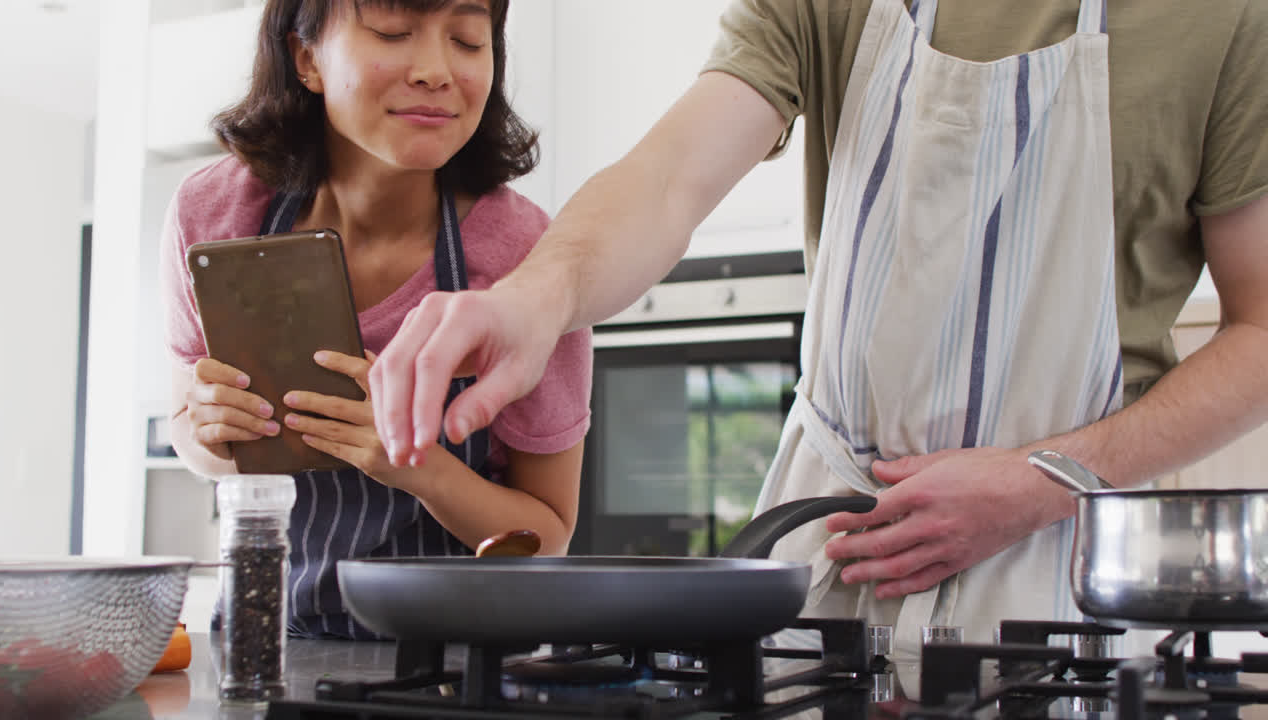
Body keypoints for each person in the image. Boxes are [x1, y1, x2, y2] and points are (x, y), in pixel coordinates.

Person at [368, 0, 1268, 677]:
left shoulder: (1227, 18)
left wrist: (1041, 481)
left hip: (1061, 572)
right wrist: (537, 295)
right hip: (828, 562)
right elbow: (672, 175)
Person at [160, 0, 591, 640]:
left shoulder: (526, 260)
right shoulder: (215, 213)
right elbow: (190, 437)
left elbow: (547, 535)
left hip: (452, 669)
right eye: (394, 32)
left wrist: (418, 468)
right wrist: (210, 432)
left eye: (468, 41)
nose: (436, 70)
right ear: (306, 58)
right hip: (265, 645)